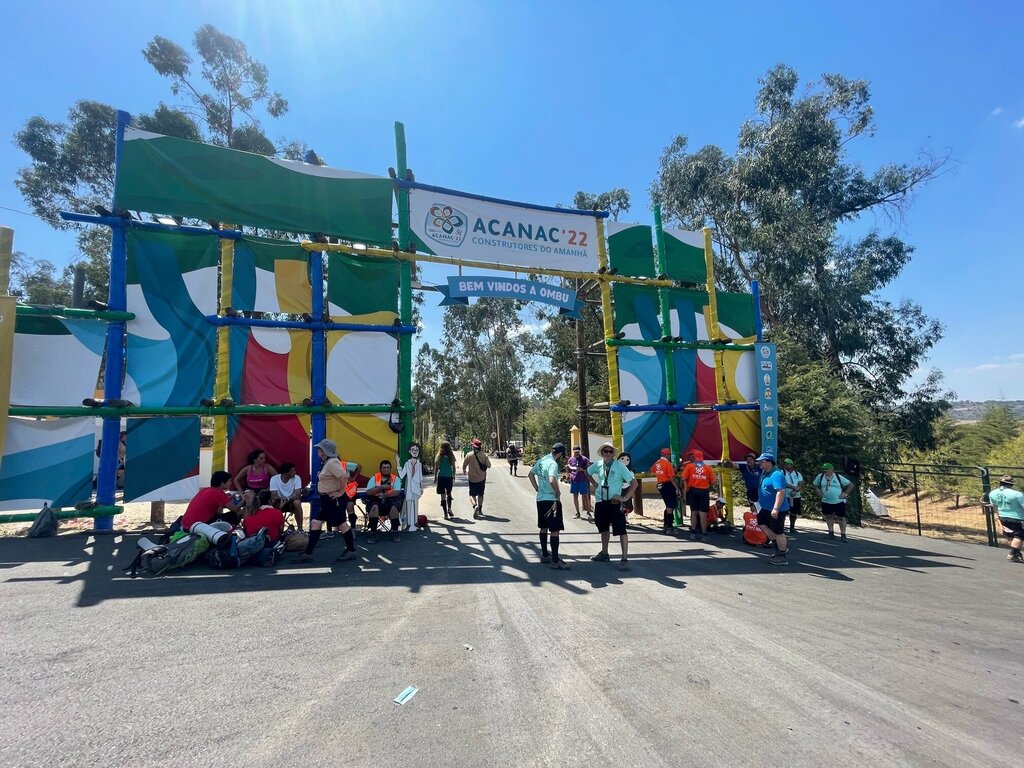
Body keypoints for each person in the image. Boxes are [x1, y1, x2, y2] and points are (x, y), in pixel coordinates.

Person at [293, 439, 356, 563]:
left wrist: (341, 492)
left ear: (324, 451)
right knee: (333, 524)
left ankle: (309, 553)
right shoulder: (328, 462)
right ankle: (350, 551)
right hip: (328, 499)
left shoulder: (332, 462)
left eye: (319, 449)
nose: (317, 450)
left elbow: (343, 476)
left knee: (330, 524)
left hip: (333, 499)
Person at [587, 441, 638, 571]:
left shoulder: (620, 466)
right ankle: (604, 553)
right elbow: (587, 472)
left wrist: (625, 498)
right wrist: (594, 484)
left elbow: (634, 483)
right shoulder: (598, 464)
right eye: (606, 451)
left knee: (621, 530)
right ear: (602, 453)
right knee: (603, 528)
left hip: (615, 503)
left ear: (613, 454)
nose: (608, 454)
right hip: (601, 501)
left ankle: (624, 559)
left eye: (610, 451)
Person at [530, 442, 570, 569]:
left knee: (543, 527)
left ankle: (545, 554)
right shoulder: (553, 463)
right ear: (560, 454)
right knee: (555, 530)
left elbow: (530, 474)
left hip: (540, 499)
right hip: (551, 500)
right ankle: (556, 560)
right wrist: (557, 492)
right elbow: (552, 479)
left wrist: (537, 488)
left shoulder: (542, 460)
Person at [756, 453, 790, 565]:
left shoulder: (777, 475)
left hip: (777, 509)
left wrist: (776, 508)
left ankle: (782, 556)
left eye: (762, 461)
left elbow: (780, 492)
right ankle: (779, 546)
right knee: (761, 523)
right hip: (765, 507)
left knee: (779, 531)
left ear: (769, 462)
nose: (760, 463)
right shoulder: (765, 472)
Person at [987, 475, 1024, 563]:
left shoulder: (992, 493)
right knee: (1020, 536)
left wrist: (998, 518)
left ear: (1000, 483)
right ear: (1011, 484)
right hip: (1017, 518)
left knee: (1012, 536)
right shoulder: (1017, 494)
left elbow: (994, 506)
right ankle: (1012, 553)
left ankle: (1017, 553)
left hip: (1003, 517)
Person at [681, 450, 716, 543]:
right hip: (704, 491)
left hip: (693, 490)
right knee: (703, 513)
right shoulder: (708, 468)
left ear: (695, 457)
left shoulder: (689, 466)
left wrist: (687, 487)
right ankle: (704, 534)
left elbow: (683, 478)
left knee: (693, 511)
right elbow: (713, 481)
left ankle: (693, 533)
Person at [365, 459, 404, 543]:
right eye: (384, 467)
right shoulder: (374, 478)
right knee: (374, 507)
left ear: (390, 469)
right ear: (380, 469)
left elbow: (396, 492)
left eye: (388, 467)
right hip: (376, 500)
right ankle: (372, 533)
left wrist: (385, 496)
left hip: (391, 499)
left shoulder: (395, 479)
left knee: (394, 507)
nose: (386, 469)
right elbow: (369, 492)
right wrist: (381, 487)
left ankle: (395, 532)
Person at [812, 462, 852, 541]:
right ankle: (831, 532)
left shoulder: (838, 477)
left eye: (826, 469)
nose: (825, 471)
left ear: (832, 470)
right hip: (826, 500)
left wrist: (845, 493)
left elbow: (850, 485)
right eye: (824, 469)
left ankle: (843, 535)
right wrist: (817, 490)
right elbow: (814, 484)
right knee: (828, 516)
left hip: (839, 501)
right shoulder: (820, 476)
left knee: (841, 517)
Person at [650, 448, 680, 535]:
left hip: (660, 485)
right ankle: (669, 528)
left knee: (668, 505)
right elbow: (672, 478)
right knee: (670, 506)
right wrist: (678, 489)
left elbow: (652, 470)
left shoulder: (657, 463)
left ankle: (666, 525)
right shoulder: (668, 464)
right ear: (667, 455)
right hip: (668, 485)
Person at [270, 462, 305, 531]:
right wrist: (282, 500)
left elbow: (298, 495)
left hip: (291, 500)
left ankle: (300, 528)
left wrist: (287, 499)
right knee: (272, 501)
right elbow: (273, 495)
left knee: (297, 502)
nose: (295, 472)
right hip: (279, 501)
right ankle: (274, 528)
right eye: (292, 471)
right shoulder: (274, 479)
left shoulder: (297, 478)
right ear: (285, 474)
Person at [397, 443, 424, 532]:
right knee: (408, 505)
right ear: (409, 451)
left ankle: (415, 522)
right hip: (409, 488)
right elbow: (401, 475)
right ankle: (408, 524)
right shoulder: (407, 463)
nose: (415, 452)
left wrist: (422, 487)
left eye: (416, 450)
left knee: (416, 505)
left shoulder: (419, 464)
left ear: (418, 452)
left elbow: (420, 477)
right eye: (412, 450)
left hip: (416, 487)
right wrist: (398, 463)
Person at [462, 438, 491, 519]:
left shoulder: (469, 455)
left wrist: (464, 470)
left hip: (472, 478)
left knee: (472, 495)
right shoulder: (484, 455)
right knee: (481, 494)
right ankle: (480, 509)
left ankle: (475, 506)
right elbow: (489, 465)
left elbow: (464, 465)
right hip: (482, 478)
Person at [567, 446, 593, 520]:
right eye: (575, 452)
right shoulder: (570, 459)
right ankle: (577, 513)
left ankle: (588, 513)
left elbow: (589, 468)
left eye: (578, 452)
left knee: (585, 497)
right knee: (575, 497)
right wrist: (568, 475)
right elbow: (568, 468)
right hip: (574, 480)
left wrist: (582, 469)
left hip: (583, 480)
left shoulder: (584, 459)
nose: (577, 454)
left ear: (580, 451)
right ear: (573, 452)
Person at [435, 442, 457, 519]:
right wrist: (453, 475)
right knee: (449, 493)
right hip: (449, 477)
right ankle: (449, 508)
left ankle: (445, 514)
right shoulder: (451, 456)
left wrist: (435, 477)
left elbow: (436, 467)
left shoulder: (439, 456)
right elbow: (454, 467)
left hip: (441, 477)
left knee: (443, 495)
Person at [782, 458, 804, 535]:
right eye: (785, 463)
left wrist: (795, 490)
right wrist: (793, 487)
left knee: (794, 512)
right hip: (784, 496)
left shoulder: (797, 473)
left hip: (795, 496)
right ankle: (781, 527)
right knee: (783, 512)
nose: (786, 465)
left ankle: (792, 527)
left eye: (788, 464)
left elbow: (800, 483)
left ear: (792, 465)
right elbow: (782, 482)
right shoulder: (781, 472)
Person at [617, 451, 638, 516]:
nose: (624, 461)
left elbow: (633, 482)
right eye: (622, 458)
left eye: (627, 460)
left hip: (626, 490)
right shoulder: (615, 469)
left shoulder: (630, 472)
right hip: (616, 490)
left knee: (626, 505)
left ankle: (625, 517)